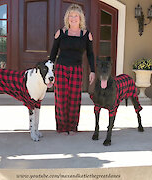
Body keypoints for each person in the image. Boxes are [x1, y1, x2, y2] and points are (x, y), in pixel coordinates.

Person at [49, 4, 95, 135]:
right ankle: (62, 127)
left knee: (74, 99)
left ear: (80, 18)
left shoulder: (86, 35)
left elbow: (90, 54)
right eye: (71, 15)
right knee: (61, 98)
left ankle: (72, 127)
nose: (73, 18)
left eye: (76, 16)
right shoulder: (61, 33)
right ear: (67, 18)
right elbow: (53, 54)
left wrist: (93, 71)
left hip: (76, 69)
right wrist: (50, 72)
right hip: (61, 69)